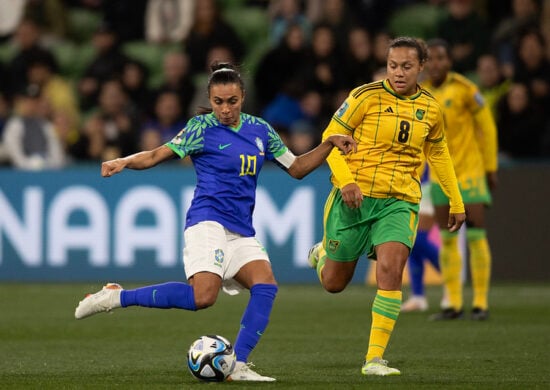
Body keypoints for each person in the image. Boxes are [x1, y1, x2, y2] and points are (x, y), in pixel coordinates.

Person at [74, 62, 356, 382]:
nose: (225, 109)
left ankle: (238, 365)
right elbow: (155, 155)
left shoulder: (260, 129)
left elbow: (297, 168)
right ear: (210, 98)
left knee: (265, 286)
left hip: (240, 229)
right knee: (202, 298)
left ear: (243, 97)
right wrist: (123, 161)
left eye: (232, 101)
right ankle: (115, 296)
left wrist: (329, 142)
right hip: (207, 220)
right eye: (218, 102)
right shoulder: (201, 128)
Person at [307, 37, 465, 376]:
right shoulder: (364, 96)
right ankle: (321, 255)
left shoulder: (431, 109)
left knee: (391, 271)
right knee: (334, 283)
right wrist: (347, 180)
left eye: (406, 67)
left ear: (421, 67)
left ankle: (374, 360)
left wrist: (455, 199)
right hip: (355, 197)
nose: (398, 72)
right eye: (393, 65)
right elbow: (331, 139)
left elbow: (438, 153)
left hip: (400, 200)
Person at [422, 38, 498, 321]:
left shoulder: (466, 89)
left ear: (449, 62)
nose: (435, 64)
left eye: (441, 58)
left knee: (476, 237)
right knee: (448, 239)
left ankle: (480, 303)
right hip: (441, 176)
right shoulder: (421, 94)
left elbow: (487, 127)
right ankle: (452, 302)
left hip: (470, 173)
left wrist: (490, 167)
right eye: (430, 59)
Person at [400, 164, 441, 312]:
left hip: (430, 181)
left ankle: (450, 272)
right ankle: (418, 296)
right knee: (412, 243)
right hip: (411, 182)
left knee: (417, 238)